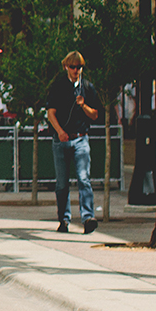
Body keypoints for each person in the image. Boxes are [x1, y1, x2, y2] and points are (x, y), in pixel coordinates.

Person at [46, 51, 102, 233]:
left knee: (84, 178)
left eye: (79, 67)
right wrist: (60, 131)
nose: (76, 70)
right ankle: (64, 219)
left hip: (80, 138)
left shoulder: (87, 87)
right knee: (62, 183)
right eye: (73, 67)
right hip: (61, 139)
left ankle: (88, 217)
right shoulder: (58, 86)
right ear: (66, 67)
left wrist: (83, 105)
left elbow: (95, 114)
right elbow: (51, 113)